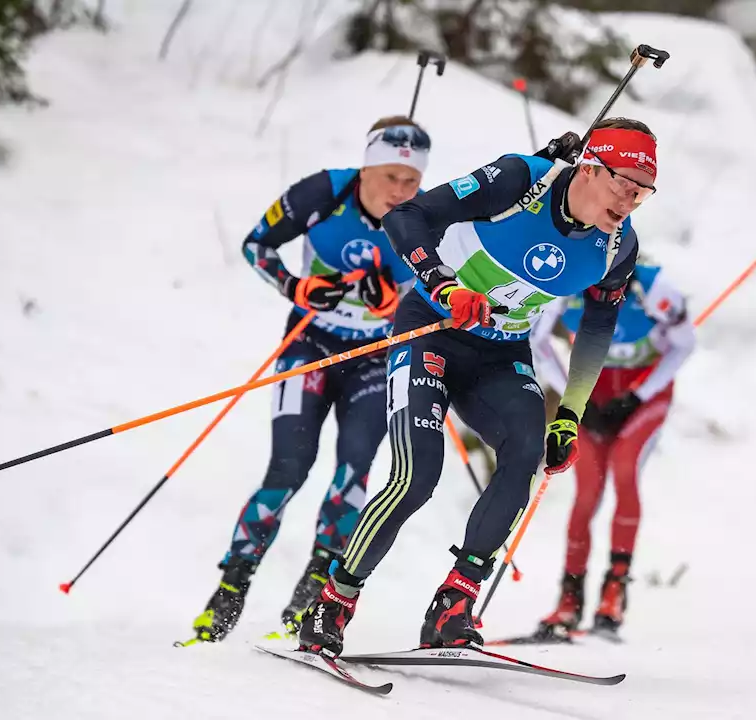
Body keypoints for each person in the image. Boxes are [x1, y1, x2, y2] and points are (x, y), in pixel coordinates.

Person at [297, 118, 661, 657]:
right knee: (417, 475)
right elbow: (408, 216)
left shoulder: (617, 249)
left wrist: (571, 414)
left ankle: (454, 602)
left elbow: (597, 329)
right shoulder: (520, 181)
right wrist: (443, 283)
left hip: (502, 352)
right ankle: (333, 600)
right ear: (589, 165)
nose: (629, 199)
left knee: (525, 453)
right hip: (433, 330)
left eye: (642, 190)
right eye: (621, 181)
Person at [187, 116, 432, 644]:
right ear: (366, 165)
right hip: (311, 347)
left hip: (374, 357)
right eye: (390, 176)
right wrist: (296, 287)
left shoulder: (424, 216)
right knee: (288, 469)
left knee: (354, 470)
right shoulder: (323, 191)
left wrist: (394, 302)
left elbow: (433, 292)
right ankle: (227, 594)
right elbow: (257, 245)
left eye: (411, 180)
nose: (401, 190)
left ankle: (310, 597)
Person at [529, 261, 695, 639]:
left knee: (623, 468)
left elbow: (685, 344)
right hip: (591, 395)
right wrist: (574, 401)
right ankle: (568, 601)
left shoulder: (652, 289)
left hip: (642, 397)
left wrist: (638, 396)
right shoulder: (567, 284)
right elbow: (537, 343)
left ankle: (614, 592)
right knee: (587, 490)